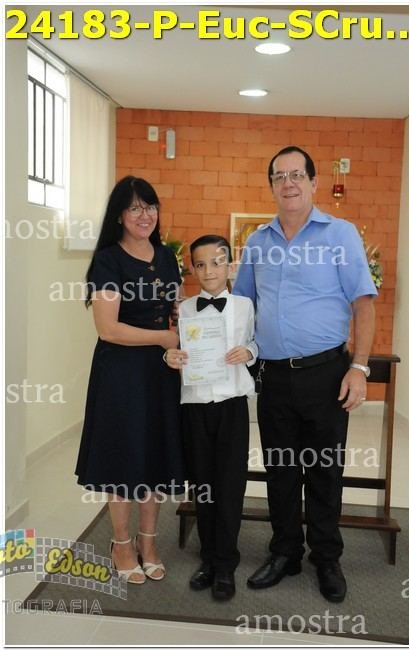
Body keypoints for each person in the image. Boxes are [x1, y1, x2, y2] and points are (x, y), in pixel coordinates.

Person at [232, 146, 377, 603]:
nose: (288, 183)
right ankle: (285, 552)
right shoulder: (258, 242)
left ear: (314, 182)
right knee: (280, 470)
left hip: (326, 374)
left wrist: (359, 368)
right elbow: (242, 306)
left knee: (324, 471)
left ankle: (327, 558)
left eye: (297, 175)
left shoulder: (340, 234)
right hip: (273, 377)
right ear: (271, 186)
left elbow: (364, 304)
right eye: (279, 176)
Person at [75, 176, 185, 584]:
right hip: (121, 373)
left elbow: (175, 310)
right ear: (119, 215)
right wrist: (162, 338)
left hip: (161, 372)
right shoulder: (109, 260)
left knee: (154, 456)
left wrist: (190, 324)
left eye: (150, 206)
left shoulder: (167, 256)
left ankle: (148, 541)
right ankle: (121, 543)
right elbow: (108, 329)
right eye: (135, 207)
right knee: (124, 459)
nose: (145, 215)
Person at [165, 235, 257, 601]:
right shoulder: (184, 309)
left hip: (232, 405)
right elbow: (173, 349)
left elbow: (259, 342)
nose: (209, 271)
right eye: (201, 265)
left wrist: (249, 351)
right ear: (192, 269)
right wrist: (170, 357)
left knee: (230, 485)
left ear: (230, 266)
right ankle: (207, 557)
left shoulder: (246, 306)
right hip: (195, 405)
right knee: (202, 483)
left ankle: (226, 563)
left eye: (217, 263)